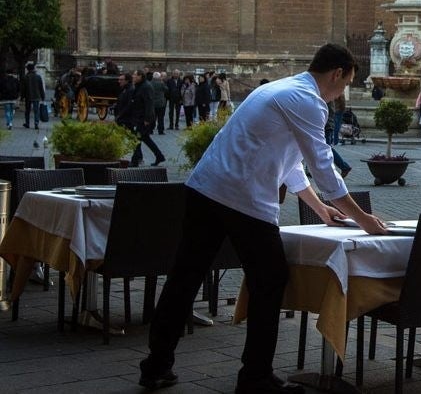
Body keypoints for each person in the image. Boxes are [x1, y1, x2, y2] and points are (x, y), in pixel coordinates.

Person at [140, 44, 387, 393]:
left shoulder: (280, 90)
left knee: (185, 275)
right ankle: (255, 376)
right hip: (241, 197)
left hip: (206, 187)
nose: (342, 92)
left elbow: (290, 163)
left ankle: (155, 365)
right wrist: (363, 219)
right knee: (271, 279)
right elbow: (322, 166)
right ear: (337, 74)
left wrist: (320, 209)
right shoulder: (308, 101)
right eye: (346, 83)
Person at [128, 70, 166, 167]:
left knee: (137, 138)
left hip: (144, 119)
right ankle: (159, 156)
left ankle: (135, 160)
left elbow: (149, 103)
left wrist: (147, 119)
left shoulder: (146, 87)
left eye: (135, 75)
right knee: (144, 138)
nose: (133, 76)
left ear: (140, 76)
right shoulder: (140, 86)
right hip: (139, 117)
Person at [21, 62, 45, 130]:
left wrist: (22, 97)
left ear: (28, 69)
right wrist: (43, 97)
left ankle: (27, 123)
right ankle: (36, 123)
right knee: (36, 111)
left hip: (28, 96)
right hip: (36, 96)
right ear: (33, 69)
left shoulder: (25, 77)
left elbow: (23, 89)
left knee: (27, 110)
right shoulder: (38, 77)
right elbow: (41, 88)